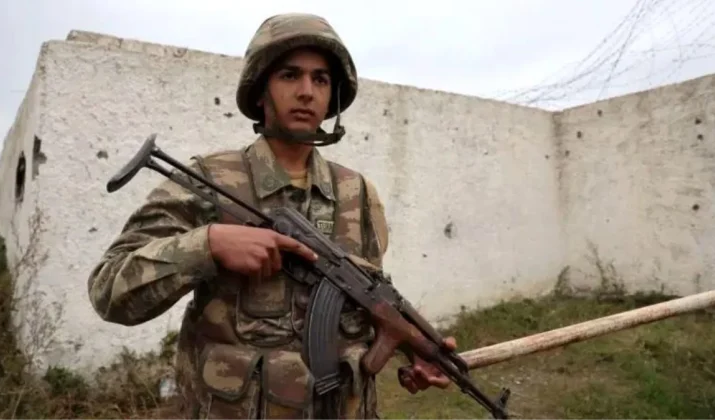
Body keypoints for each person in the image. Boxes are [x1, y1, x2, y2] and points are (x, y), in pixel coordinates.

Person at [87, 12, 457, 420]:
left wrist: (409, 343)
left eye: (320, 79)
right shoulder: (209, 180)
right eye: (289, 75)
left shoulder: (358, 193)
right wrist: (208, 245)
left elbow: (364, 296)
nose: (306, 92)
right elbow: (109, 289)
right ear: (261, 90)